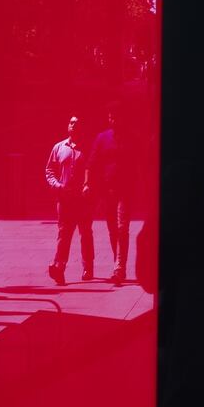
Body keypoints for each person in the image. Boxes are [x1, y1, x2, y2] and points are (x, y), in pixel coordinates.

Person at [85, 108, 133, 286]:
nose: (113, 120)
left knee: (121, 228)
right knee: (113, 229)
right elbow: (92, 162)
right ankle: (118, 263)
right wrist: (87, 183)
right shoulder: (102, 138)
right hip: (108, 191)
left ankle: (119, 269)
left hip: (126, 191)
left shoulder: (131, 138)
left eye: (116, 117)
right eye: (111, 117)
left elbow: (137, 164)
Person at [45, 115, 93, 285]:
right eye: (71, 122)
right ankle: (59, 267)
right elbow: (49, 171)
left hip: (83, 200)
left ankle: (88, 267)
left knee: (85, 233)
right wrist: (57, 185)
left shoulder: (88, 148)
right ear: (67, 126)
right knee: (63, 234)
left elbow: (93, 170)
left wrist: (89, 186)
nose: (73, 125)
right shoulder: (58, 147)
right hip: (64, 199)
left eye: (77, 123)